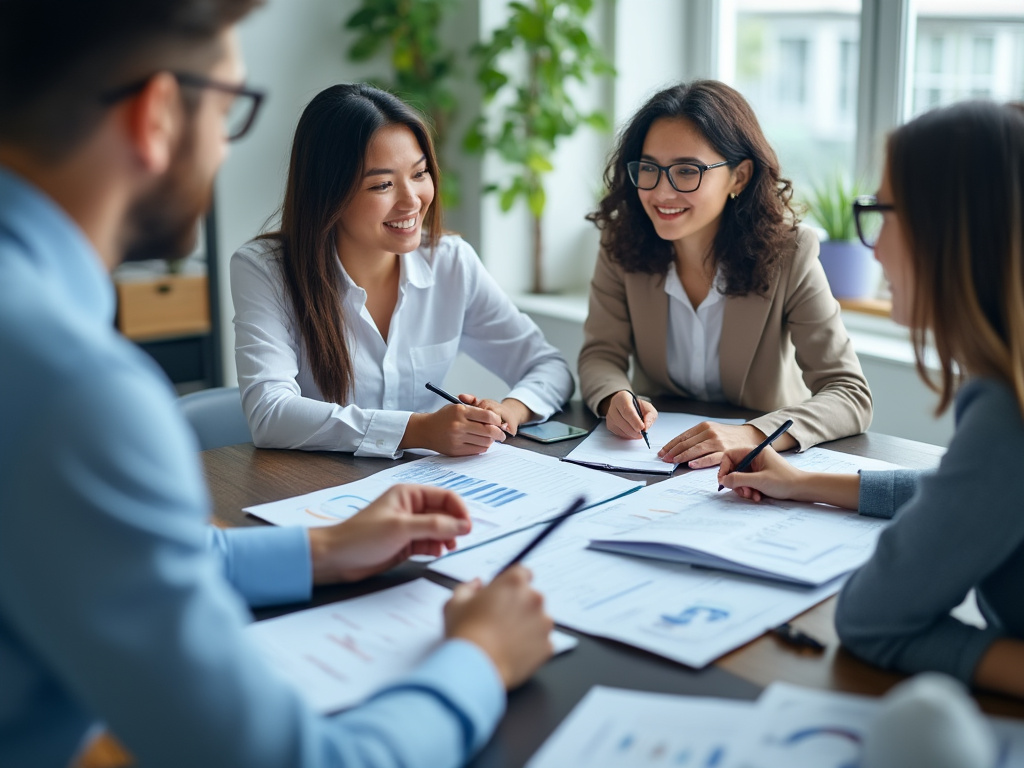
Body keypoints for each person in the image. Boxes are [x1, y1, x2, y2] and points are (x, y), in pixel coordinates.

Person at [0, 3, 554, 767]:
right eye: (231, 108)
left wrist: (322, 548)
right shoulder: (77, 394)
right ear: (158, 113)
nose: (227, 151)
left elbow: (101, 547)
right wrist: (482, 658)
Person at [718, 100, 1024, 699]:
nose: (876, 249)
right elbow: (968, 491)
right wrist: (802, 482)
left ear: (953, 230)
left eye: (886, 213)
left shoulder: (1006, 413)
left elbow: (869, 619)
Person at [230, 83, 575, 459]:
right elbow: (270, 412)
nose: (412, 201)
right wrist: (417, 430)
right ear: (328, 193)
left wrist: (509, 410)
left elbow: (549, 366)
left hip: (424, 485)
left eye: (420, 173)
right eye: (382, 184)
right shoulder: (265, 270)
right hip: (317, 491)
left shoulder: (450, 262)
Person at [579, 80, 872, 468]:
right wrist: (613, 396)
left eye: (687, 171)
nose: (662, 192)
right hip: (656, 459)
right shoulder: (621, 244)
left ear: (739, 176)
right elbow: (601, 353)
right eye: (649, 168)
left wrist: (751, 435)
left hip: (759, 467)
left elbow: (849, 394)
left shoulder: (790, 254)